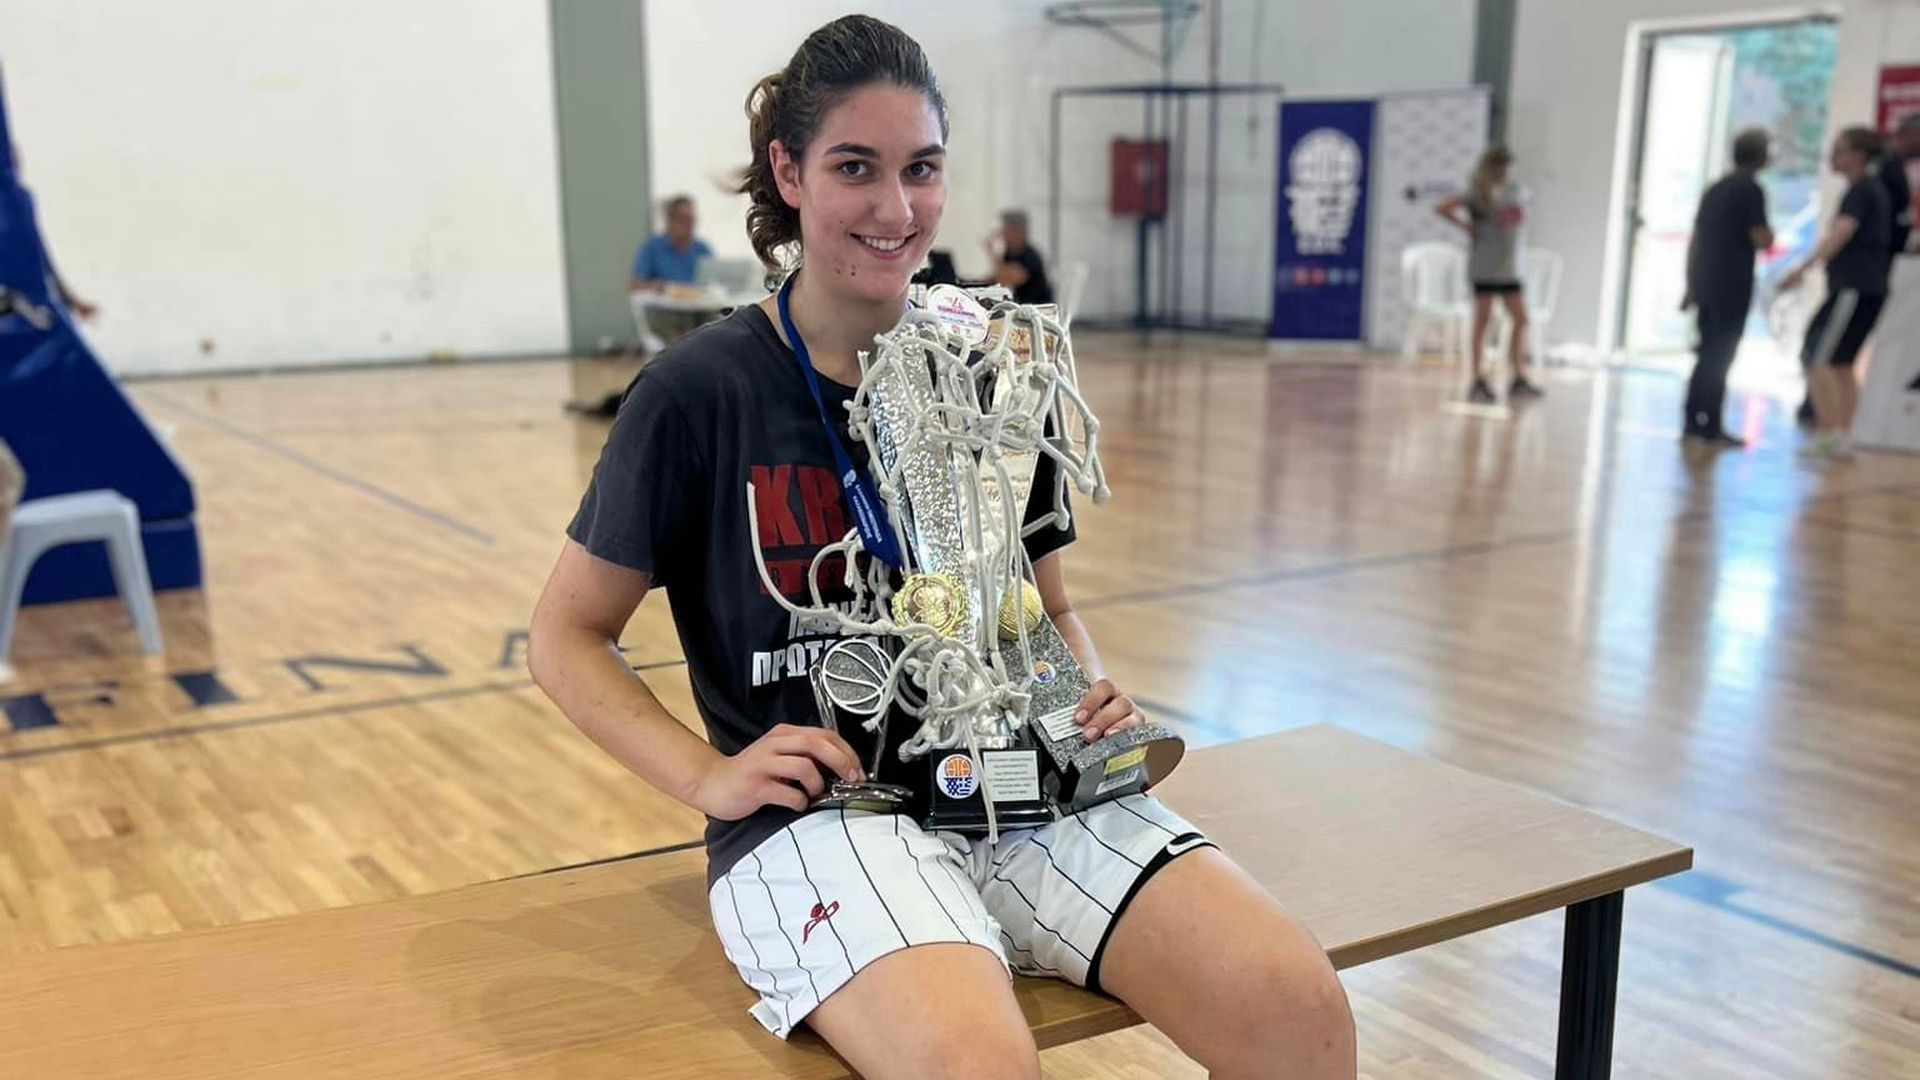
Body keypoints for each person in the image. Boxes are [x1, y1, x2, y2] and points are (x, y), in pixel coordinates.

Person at [528, 15, 1355, 1080]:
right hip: (826, 817)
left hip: (1020, 786)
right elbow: (566, 637)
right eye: (855, 168)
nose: (896, 208)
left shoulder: (991, 369)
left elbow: (1048, 610)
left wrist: (1084, 695)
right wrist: (709, 777)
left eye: (921, 169)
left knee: (1298, 1009)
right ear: (789, 172)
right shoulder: (700, 391)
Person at [1781, 126, 1894, 460]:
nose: (1832, 156)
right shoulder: (1872, 190)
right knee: (1842, 363)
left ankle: (1831, 432)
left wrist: (1803, 267)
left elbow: (1841, 233)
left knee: (1817, 357)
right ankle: (1844, 435)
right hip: (1867, 288)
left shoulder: (1861, 192)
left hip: (1854, 287)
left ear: (1857, 155)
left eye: (1840, 149)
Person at [1680, 128, 1774, 447]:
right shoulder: (1751, 190)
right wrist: (1769, 237)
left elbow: (1696, 239)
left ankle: (1693, 419)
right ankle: (1710, 424)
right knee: (1721, 354)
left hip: (1706, 280)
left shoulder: (1715, 189)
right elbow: (1761, 238)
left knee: (1706, 352)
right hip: (1732, 284)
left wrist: (1690, 283)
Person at [1437, 146, 1543, 404]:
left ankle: (1518, 374)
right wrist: (1467, 227)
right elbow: (1443, 207)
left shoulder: (1517, 189)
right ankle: (1478, 378)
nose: (1504, 171)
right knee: (1483, 321)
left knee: (1521, 318)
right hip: (1485, 264)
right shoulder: (1478, 193)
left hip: (1510, 266)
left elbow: (1523, 211)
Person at [629, 194, 713, 291]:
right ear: (670, 221)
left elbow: (715, 283)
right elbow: (635, 284)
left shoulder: (702, 250)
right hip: (662, 300)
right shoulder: (652, 247)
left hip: (697, 300)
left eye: (691, 219)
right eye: (684, 219)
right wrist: (652, 286)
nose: (689, 225)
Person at [987, 209, 1053, 304]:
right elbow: (997, 278)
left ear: (1017, 232)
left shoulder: (1030, 256)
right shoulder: (1009, 254)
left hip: (1036, 306)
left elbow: (1007, 279)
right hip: (1022, 305)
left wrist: (992, 253)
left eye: (1006, 230)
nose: (1002, 233)